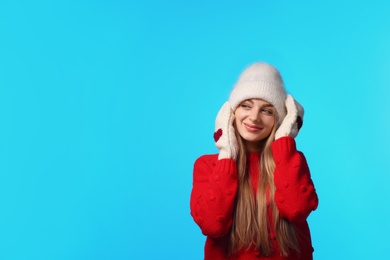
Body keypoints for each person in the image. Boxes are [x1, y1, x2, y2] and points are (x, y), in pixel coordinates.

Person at [190, 63, 318, 260]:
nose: (254, 117)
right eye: (246, 106)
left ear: (281, 120)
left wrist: (285, 140)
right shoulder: (208, 166)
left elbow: (296, 210)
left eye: (267, 111)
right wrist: (227, 152)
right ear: (230, 114)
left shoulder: (291, 160)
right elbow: (212, 225)